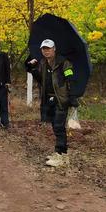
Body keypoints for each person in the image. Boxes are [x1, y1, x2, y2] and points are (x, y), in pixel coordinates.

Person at [26, 39, 77, 167]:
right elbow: (40, 79)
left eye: (48, 48)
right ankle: (62, 154)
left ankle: (60, 154)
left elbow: (70, 79)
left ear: (54, 49)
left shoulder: (63, 63)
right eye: (44, 49)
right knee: (55, 126)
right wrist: (31, 67)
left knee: (59, 127)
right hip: (48, 99)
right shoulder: (43, 63)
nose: (46, 51)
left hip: (60, 99)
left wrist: (72, 96)